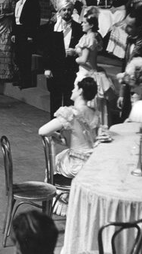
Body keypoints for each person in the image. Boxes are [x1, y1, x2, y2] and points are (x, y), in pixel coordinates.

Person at [39, 77, 100, 215]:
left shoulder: (70, 113)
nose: (72, 90)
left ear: (80, 91)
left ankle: (66, 204)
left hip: (76, 165)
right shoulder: (93, 112)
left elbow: (42, 131)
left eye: (74, 88)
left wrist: (53, 135)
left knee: (57, 162)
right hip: (92, 161)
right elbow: (83, 140)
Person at [42, 0, 83, 118]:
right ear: (59, 11)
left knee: (69, 100)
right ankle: (55, 129)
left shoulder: (78, 28)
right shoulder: (53, 28)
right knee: (55, 99)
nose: (66, 12)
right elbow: (46, 49)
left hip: (70, 67)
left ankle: (68, 129)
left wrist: (75, 52)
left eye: (69, 10)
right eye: (64, 10)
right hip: (55, 68)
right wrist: (47, 68)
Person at [74, 12, 114, 130]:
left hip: (86, 72)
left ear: (91, 25)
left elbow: (83, 59)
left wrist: (74, 57)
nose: (82, 24)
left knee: (84, 103)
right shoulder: (93, 36)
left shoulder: (88, 39)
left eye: (85, 22)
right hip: (93, 70)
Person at [117, 7, 142, 120]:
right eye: (126, 24)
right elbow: (124, 66)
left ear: (140, 27)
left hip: (139, 92)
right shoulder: (129, 40)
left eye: (130, 26)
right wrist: (121, 94)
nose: (125, 28)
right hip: (127, 89)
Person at [12, 0, 41, 89]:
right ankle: (21, 79)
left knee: (26, 57)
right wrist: (14, 33)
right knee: (18, 56)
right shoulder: (18, 1)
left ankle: (26, 81)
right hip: (18, 30)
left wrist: (31, 35)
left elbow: (35, 20)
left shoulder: (33, 1)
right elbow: (15, 18)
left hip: (27, 31)